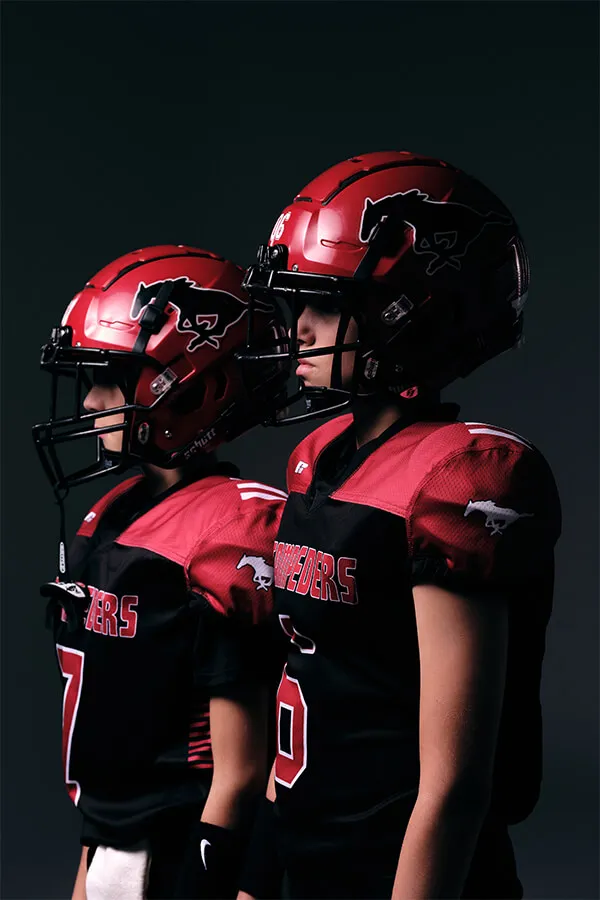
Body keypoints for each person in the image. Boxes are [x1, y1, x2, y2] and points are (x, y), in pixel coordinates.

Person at [237, 152, 562, 900]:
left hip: (407, 875)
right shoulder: (316, 457)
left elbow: (454, 784)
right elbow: (306, 676)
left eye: (324, 303)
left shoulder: (460, 478)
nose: (300, 328)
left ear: (406, 310)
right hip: (307, 861)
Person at [33, 244, 290, 900]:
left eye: (107, 377)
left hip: (185, 851)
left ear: (192, 387)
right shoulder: (111, 514)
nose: (89, 401)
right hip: (113, 847)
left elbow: (243, 771)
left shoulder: (227, 529)